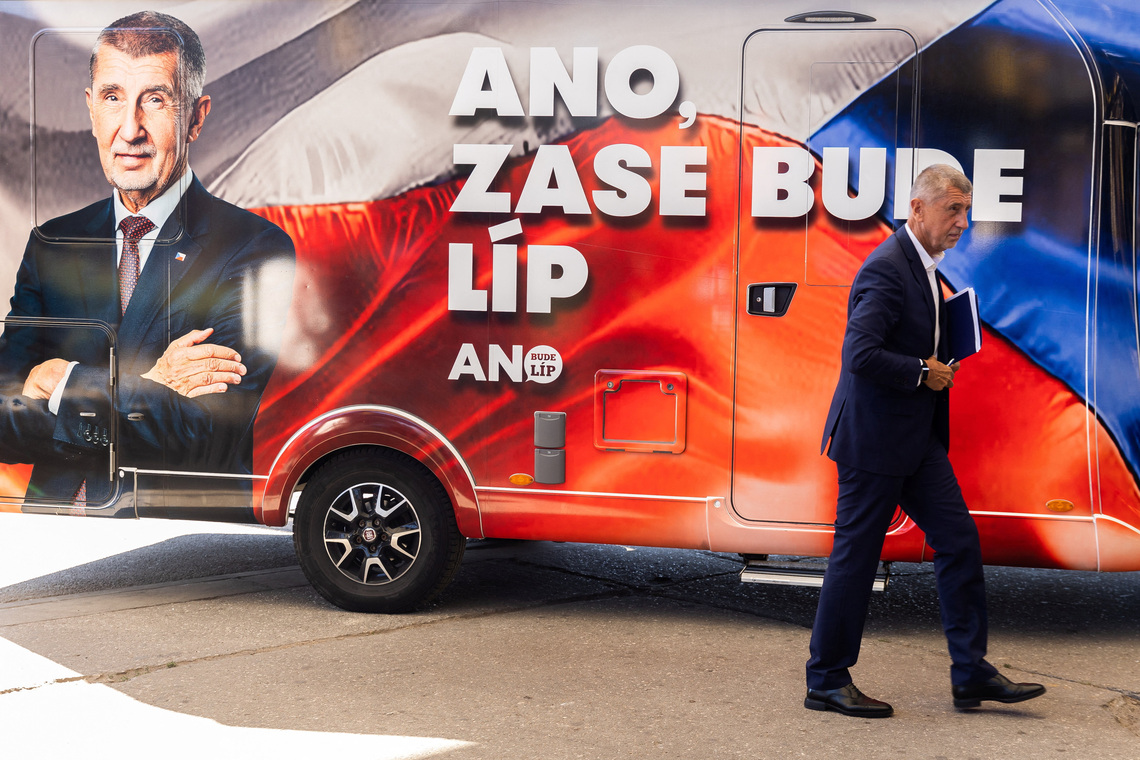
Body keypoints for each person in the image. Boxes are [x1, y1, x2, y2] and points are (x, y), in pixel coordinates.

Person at [0, 10, 295, 507]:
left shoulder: (254, 249)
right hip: (50, 530)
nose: (130, 128)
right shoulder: (52, 241)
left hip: (171, 549)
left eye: (155, 100)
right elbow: (3, 419)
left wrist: (57, 380)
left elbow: (201, 433)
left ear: (196, 118)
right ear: (92, 109)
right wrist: (152, 387)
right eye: (114, 98)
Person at [806, 164, 1045, 718]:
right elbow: (859, 355)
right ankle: (826, 679)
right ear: (918, 209)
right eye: (952, 210)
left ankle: (970, 674)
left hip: (913, 441)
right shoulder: (888, 270)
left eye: (966, 210)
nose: (963, 221)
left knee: (959, 540)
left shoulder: (925, 266)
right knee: (856, 559)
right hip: (872, 442)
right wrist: (923, 371)